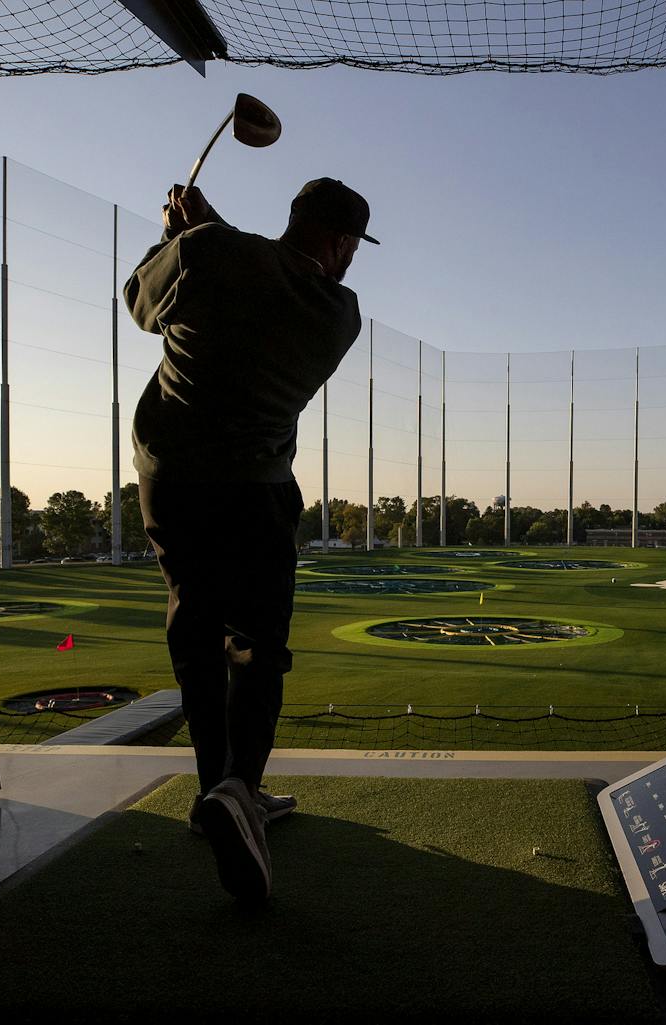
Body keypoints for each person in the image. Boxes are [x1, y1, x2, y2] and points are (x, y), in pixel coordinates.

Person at [124, 177, 377, 902]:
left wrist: (179, 233)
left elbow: (143, 302)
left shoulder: (206, 255)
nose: (351, 262)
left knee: (196, 631)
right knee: (258, 645)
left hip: (172, 483)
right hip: (257, 493)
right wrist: (206, 232)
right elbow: (265, 272)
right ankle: (242, 788)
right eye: (352, 248)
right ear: (337, 244)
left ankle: (217, 791)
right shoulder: (338, 312)